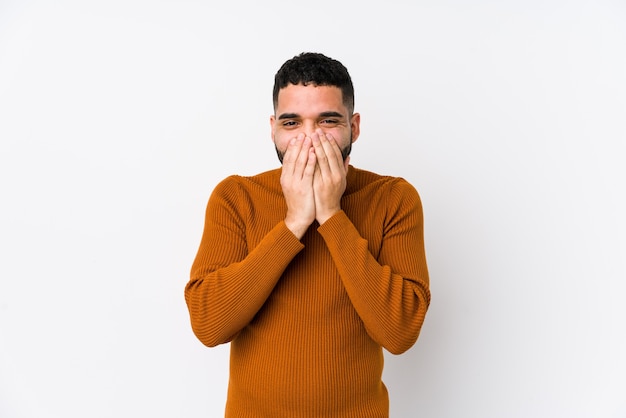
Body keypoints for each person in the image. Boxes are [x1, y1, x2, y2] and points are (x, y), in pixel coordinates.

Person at [184, 52, 431, 418]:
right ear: (273, 128)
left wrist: (331, 214)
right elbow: (209, 325)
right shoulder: (236, 197)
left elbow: (398, 333)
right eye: (292, 122)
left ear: (354, 126)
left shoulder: (393, 199)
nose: (310, 138)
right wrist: (294, 222)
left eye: (328, 120)